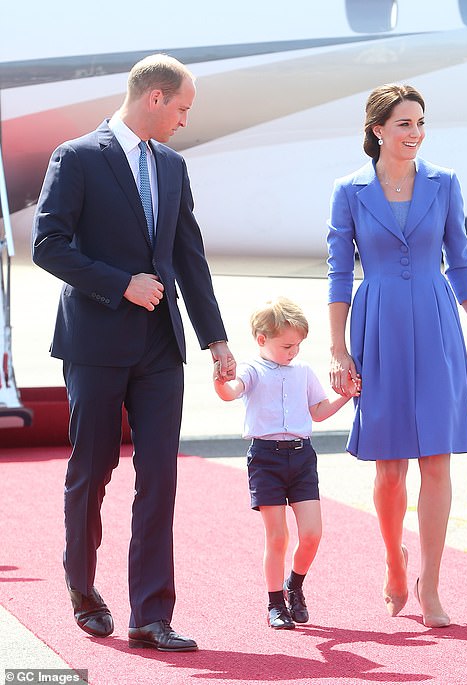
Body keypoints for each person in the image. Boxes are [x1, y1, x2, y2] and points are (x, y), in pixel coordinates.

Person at [31, 54, 236, 652]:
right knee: (92, 471)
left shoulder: (172, 166)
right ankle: (83, 588)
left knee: (160, 480)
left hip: (160, 346)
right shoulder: (77, 157)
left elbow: (188, 257)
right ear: (154, 98)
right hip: (95, 341)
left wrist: (216, 340)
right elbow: (48, 245)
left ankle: (151, 615)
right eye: (181, 108)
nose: (183, 120)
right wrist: (120, 282)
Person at [327, 83, 467, 628]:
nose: (415, 133)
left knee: (437, 459)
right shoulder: (349, 190)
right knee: (389, 466)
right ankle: (394, 561)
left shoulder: (445, 183)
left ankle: (433, 583)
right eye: (404, 123)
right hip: (378, 329)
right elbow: (338, 274)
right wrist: (338, 349)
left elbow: (461, 260)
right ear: (377, 130)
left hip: (437, 322)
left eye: (420, 123)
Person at [213, 296, 360, 629]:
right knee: (277, 537)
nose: (293, 352)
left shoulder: (303, 372)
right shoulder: (252, 370)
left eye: (298, 346)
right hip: (266, 459)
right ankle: (275, 603)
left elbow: (318, 412)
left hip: (302, 456)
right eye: (287, 345)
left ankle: (295, 584)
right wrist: (220, 381)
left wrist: (346, 395)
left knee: (312, 534)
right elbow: (231, 392)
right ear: (262, 340)